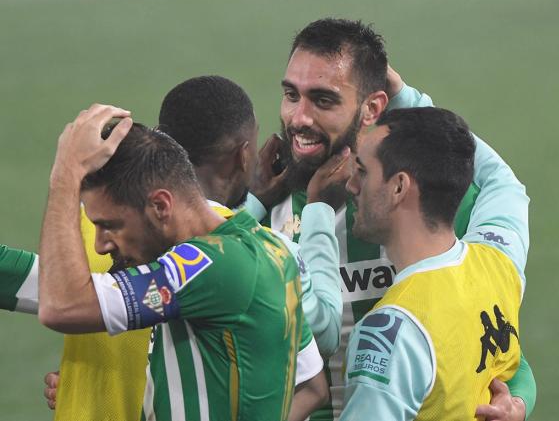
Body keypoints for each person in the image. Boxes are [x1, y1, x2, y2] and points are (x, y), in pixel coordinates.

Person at [1, 76, 339, 420]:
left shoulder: (209, 265)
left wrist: (66, 173)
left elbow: (62, 306)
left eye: (109, 226)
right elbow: (312, 387)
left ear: (161, 206)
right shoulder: (270, 247)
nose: (101, 244)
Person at [248, 18, 535, 420]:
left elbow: (500, 346)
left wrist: (515, 402)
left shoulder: (433, 205)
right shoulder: (260, 208)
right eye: (291, 95)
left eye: (323, 100)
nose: (299, 117)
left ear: (373, 108)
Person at [341, 107, 528, 420]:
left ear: (399, 187)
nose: (351, 185)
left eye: (363, 171)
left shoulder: (390, 332)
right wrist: (410, 98)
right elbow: (502, 182)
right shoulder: (500, 260)